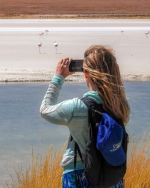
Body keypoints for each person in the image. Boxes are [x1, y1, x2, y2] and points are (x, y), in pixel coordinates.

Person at [40, 45, 130, 188]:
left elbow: (45, 110)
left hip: (80, 176)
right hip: (112, 177)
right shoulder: (120, 106)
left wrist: (59, 77)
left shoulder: (77, 107)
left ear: (86, 73)